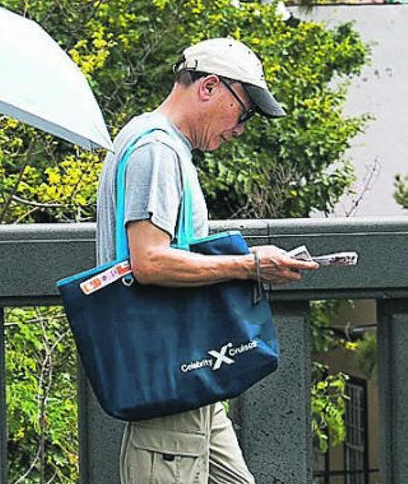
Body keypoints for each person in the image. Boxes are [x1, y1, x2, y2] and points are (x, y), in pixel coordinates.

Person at [96, 38, 319, 483]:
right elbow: (150, 261)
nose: (241, 128)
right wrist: (250, 264)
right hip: (167, 371)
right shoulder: (156, 150)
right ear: (210, 87)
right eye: (245, 111)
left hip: (187, 370)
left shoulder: (161, 145)